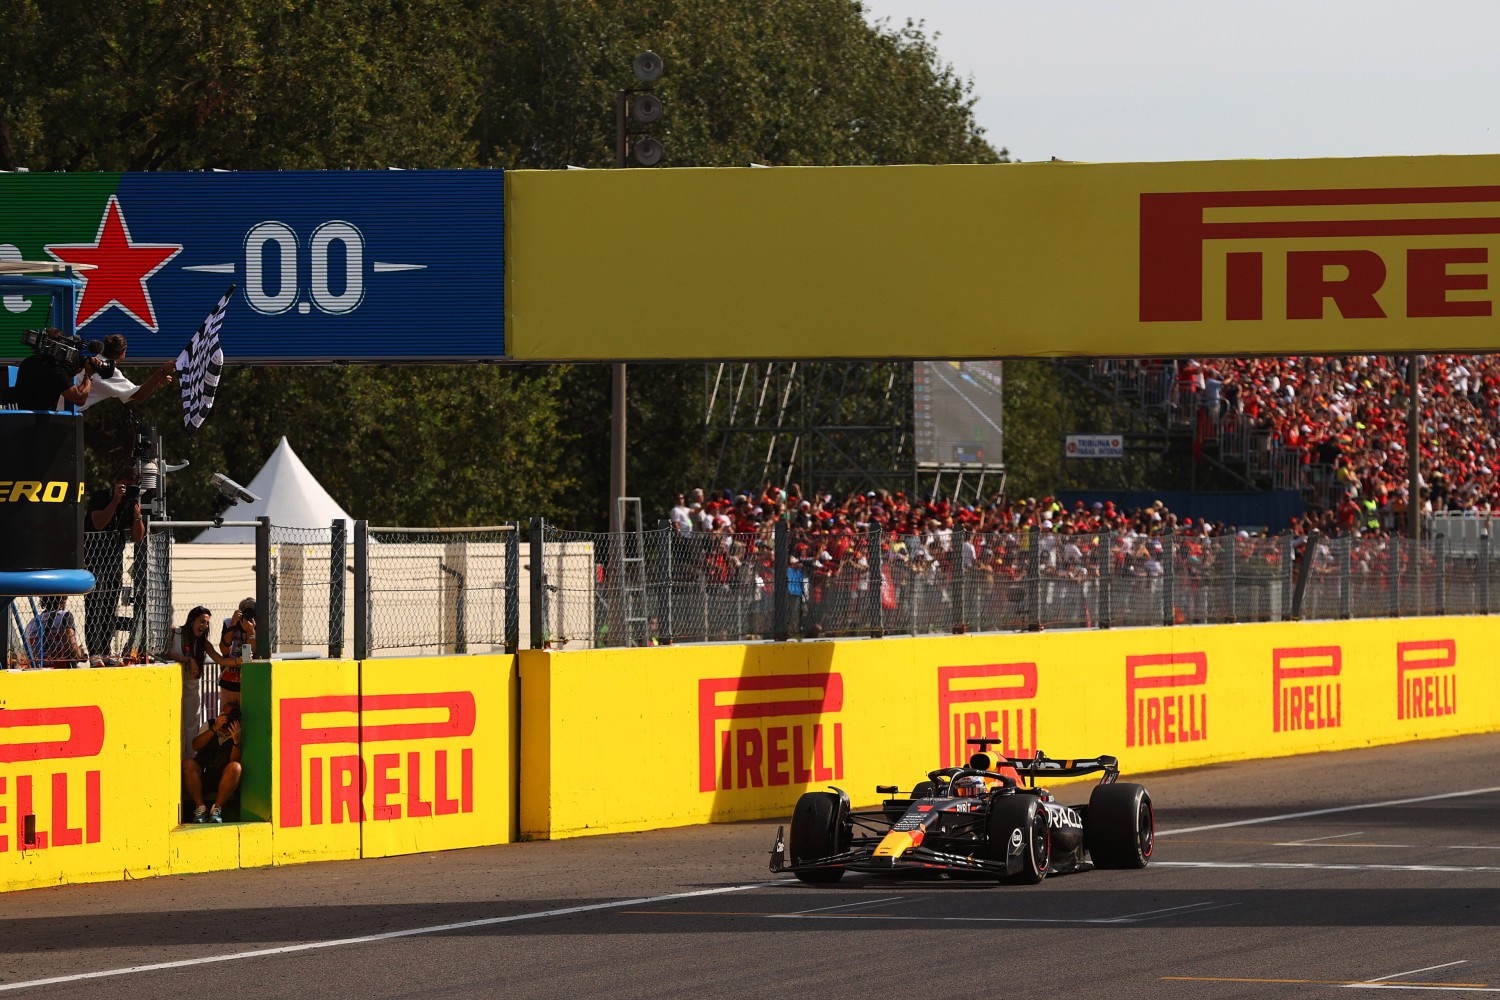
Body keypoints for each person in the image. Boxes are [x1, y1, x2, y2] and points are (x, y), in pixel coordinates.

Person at [84, 468, 146, 664]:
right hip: (94, 557)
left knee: (110, 607)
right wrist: (115, 501)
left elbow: (137, 537)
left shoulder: (131, 503)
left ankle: (106, 650)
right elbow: (98, 523)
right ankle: (95, 652)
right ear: (117, 483)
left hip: (113, 559)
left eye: (132, 487)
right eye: (125, 485)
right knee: (95, 606)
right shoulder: (101, 497)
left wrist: (137, 515)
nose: (127, 490)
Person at [166, 605, 233, 755]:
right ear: (192, 621)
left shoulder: (204, 643)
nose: (205, 625)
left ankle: (190, 762)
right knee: (175, 726)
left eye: (207, 623)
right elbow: (167, 654)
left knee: (191, 727)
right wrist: (188, 659)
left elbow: (220, 660)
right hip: (173, 687)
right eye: (202, 621)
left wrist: (238, 661)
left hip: (192, 689)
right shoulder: (175, 633)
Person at [183, 703, 242, 824]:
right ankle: (200, 808)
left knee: (236, 767)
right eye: (225, 715)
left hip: (222, 779)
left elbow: (232, 764)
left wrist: (236, 741)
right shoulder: (210, 724)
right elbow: (196, 746)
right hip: (203, 774)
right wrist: (215, 728)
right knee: (188, 763)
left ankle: (217, 809)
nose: (228, 719)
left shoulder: (239, 731)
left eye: (231, 716)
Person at [81, 334, 175, 411]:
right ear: (123, 353)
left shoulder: (93, 361)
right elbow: (138, 395)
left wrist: (155, 383)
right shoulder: (109, 371)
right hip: (68, 413)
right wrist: (162, 371)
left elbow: (133, 391)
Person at [9, 327, 94, 411]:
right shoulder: (56, 371)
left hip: (20, 417)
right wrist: (88, 374)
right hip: (38, 421)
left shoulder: (29, 361)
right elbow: (79, 399)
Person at [19, 595, 87, 669]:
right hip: (63, 671)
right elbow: (72, 649)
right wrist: (80, 654)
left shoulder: (33, 622)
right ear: (64, 598)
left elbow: (27, 653)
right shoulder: (65, 616)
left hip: (40, 669)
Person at [217, 597, 256, 708]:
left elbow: (249, 655)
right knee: (226, 719)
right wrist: (233, 626)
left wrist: (251, 633)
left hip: (249, 684)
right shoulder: (229, 622)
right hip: (228, 681)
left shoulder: (258, 626)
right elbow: (224, 650)